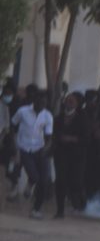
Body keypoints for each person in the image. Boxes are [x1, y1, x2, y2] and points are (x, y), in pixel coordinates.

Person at [11, 88, 53, 219]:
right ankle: (30, 183)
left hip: (40, 149)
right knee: (34, 176)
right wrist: (15, 146)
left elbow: (49, 137)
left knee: (44, 180)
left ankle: (36, 209)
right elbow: (13, 126)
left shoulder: (47, 116)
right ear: (34, 101)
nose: (42, 105)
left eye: (44, 103)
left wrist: (46, 149)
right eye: (40, 102)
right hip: (24, 148)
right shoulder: (22, 111)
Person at [53, 92, 87, 218]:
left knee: (76, 182)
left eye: (72, 101)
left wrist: (71, 139)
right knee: (60, 181)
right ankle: (60, 211)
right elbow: (54, 135)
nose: (69, 102)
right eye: (67, 100)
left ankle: (81, 204)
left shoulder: (83, 119)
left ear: (77, 104)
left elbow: (86, 139)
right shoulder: (58, 118)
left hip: (77, 156)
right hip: (61, 155)